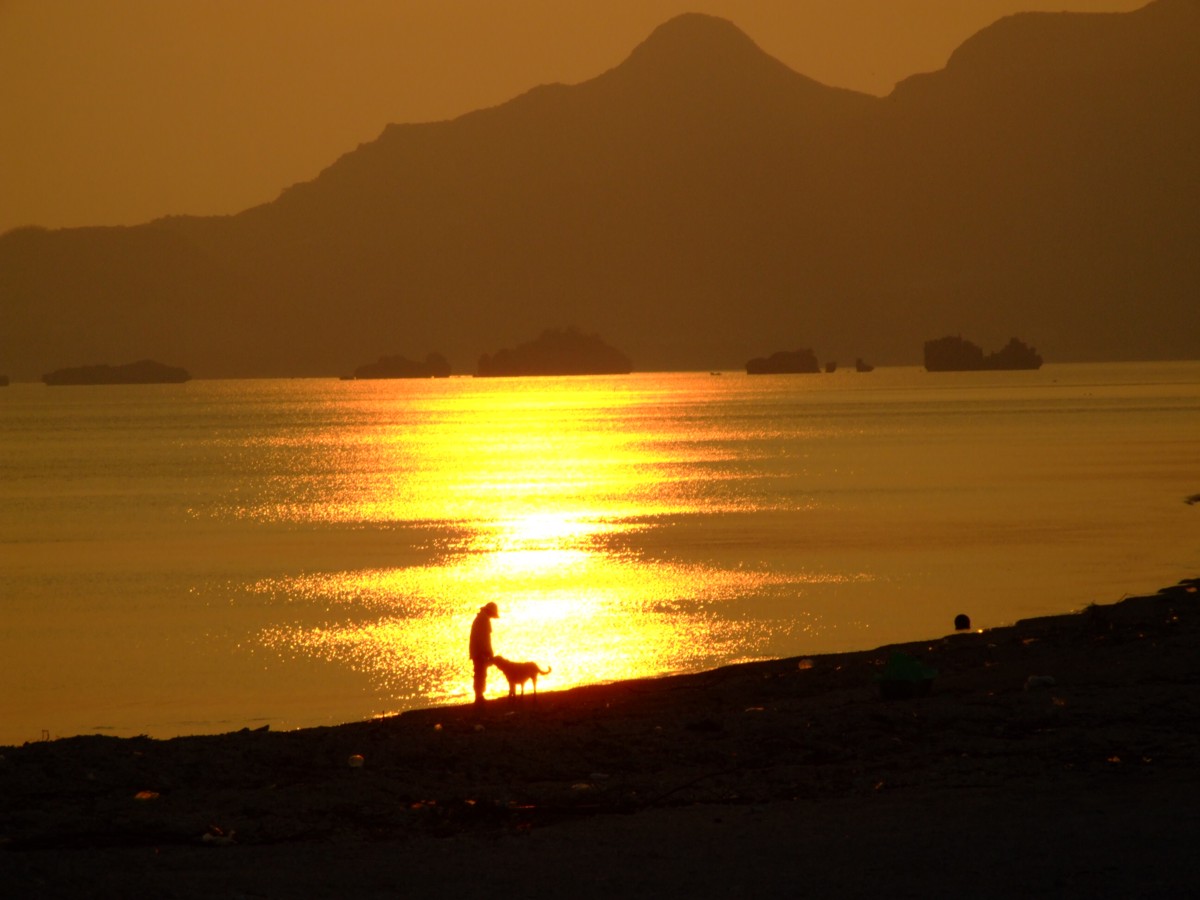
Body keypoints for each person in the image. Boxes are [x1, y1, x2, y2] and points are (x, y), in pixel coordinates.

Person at [469, 602, 499, 706]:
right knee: (480, 674)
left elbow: (483, 638)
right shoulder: (484, 620)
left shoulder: (481, 618)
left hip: (477, 651)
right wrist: (488, 653)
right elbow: (485, 639)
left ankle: (479, 696)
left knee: (480, 674)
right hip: (480, 652)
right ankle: (479, 697)